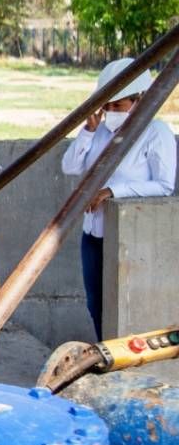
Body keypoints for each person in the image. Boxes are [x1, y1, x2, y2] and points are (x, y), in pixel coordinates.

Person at [61, 58, 175, 341]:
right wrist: (87, 131)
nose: (111, 111)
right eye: (107, 105)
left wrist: (113, 192)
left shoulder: (156, 133)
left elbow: (163, 185)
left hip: (128, 240)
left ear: (139, 100)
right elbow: (70, 166)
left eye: (118, 105)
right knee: (96, 305)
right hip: (93, 235)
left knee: (121, 310)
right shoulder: (98, 132)